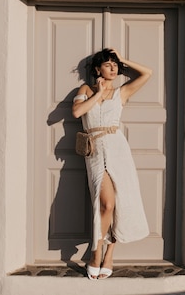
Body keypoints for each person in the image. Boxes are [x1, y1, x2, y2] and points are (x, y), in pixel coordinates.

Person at [72, 48, 151, 280]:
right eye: (108, 64)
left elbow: (147, 73)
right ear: (98, 69)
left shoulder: (122, 92)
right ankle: (95, 253)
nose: (113, 68)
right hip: (95, 150)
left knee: (121, 204)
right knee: (105, 203)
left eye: (115, 65)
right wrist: (98, 93)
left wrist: (123, 59)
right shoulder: (85, 90)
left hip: (118, 150)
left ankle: (108, 255)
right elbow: (77, 112)